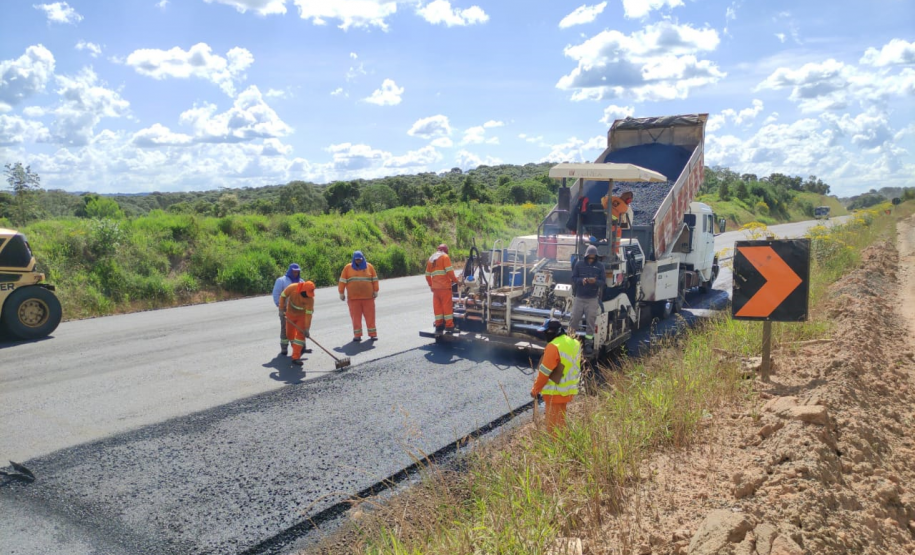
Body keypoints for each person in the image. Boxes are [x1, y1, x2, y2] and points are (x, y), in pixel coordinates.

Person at [531, 319, 582, 433]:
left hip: (554, 392)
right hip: (568, 390)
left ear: (553, 331)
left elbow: (544, 373)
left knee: (553, 428)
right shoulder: (574, 343)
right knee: (561, 424)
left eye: (546, 332)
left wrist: (535, 390)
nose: (545, 335)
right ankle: (563, 446)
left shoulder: (553, 346)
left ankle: (557, 449)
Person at [569, 245, 605, 356]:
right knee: (574, 319)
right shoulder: (579, 264)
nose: (591, 258)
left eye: (593, 257)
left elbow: (603, 281)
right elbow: (573, 278)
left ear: (596, 256)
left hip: (592, 299)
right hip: (579, 297)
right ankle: (570, 341)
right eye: (590, 256)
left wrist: (595, 282)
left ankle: (588, 344)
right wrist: (582, 280)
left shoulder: (600, 266)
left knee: (590, 322)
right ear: (586, 256)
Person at [338, 251, 379, 342]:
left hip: (368, 298)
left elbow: (375, 279)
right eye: (356, 260)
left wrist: (376, 290)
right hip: (354, 299)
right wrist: (341, 292)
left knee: (370, 317)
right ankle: (357, 335)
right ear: (353, 259)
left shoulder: (369, 267)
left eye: (360, 260)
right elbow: (342, 281)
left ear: (363, 258)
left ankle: (373, 334)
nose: (358, 261)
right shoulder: (347, 268)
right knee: (355, 318)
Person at [425, 244, 460, 337]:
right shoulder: (445, 257)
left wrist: (431, 285)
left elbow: (427, 275)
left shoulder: (431, 259)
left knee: (438, 308)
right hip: (445, 288)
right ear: (445, 251)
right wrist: (457, 281)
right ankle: (449, 326)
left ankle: (439, 325)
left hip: (436, 289)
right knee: (447, 307)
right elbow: (450, 272)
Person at [278, 280, 315, 366]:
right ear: (302, 290)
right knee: (289, 334)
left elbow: (308, 315)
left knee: (300, 336)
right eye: (307, 294)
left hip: (301, 317)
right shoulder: (292, 287)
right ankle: (298, 348)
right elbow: (283, 296)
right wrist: (281, 309)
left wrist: (306, 329)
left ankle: (296, 357)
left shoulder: (310, 300)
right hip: (290, 314)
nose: (308, 296)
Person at [272, 263, 301, 356]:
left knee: (297, 329)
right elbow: (276, 293)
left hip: (297, 309)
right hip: (284, 309)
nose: (296, 273)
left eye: (297, 271)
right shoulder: (282, 281)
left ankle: (297, 348)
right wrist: (280, 306)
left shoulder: (301, 282)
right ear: (290, 271)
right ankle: (284, 348)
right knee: (285, 328)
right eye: (294, 271)